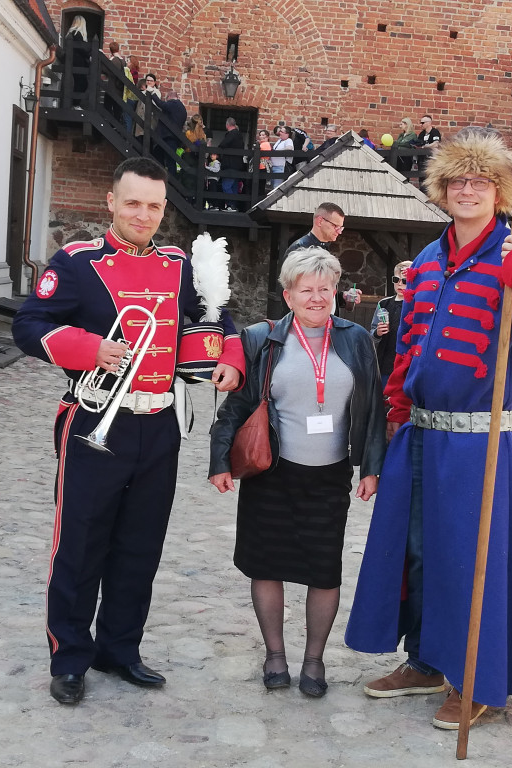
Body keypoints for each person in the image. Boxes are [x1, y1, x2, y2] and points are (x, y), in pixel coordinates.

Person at [345, 127, 512, 730]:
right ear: (442, 190)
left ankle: (475, 678)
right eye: (456, 181)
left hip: (484, 439)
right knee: (417, 554)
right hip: (420, 433)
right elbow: (408, 353)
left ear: (499, 191)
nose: (467, 190)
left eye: (480, 181)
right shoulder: (425, 262)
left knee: (469, 559)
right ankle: (423, 661)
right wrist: (396, 418)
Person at [12, 157, 246, 707]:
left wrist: (230, 359)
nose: (144, 214)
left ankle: (120, 649)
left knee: (140, 546)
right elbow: (28, 325)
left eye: (155, 205)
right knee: (80, 545)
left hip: (159, 421)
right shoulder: (76, 262)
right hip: (96, 417)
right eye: (134, 202)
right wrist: (89, 347)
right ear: (111, 203)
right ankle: (70, 657)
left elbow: (218, 318)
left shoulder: (178, 264)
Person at [208, 246, 386, 698]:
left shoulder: (356, 339)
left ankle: (313, 660)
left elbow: (375, 407)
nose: (316, 297)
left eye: (325, 288)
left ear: (335, 292)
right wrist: (220, 460)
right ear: (288, 296)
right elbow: (238, 405)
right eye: (306, 289)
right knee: (266, 566)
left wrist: (371, 467)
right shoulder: (264, 338)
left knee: (324, 571)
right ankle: (274, 655)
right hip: (272, 472)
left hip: (329, 477)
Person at [282, 202, 361, 316]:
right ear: (319, 221)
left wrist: (342, 297)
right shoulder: (299, 249)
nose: (339, 231)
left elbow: (321, 290)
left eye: (341, 227)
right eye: (335, 226)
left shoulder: (324, 247)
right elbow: (290, 291)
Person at [371, 260, 413, 390]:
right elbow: (372, 333)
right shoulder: (384, 304)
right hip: (384, 362)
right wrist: (377, 333)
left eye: (405, 281)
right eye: (396, 279)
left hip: (407, 365)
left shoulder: (417, 304)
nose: (400, 284)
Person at [218, 117, 246, 211]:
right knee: (234, 186)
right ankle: (234, 206)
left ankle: (231, 205)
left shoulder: (232, 134)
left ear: (227, 125)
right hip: (238, 165)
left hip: (230, 164)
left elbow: (223, 144)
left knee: (226, 186)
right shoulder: (239, 135)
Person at [65, 15, 90, 107]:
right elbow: (82, 49)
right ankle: (75, 104)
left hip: (75, 62)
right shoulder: (77, 34)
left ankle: (75, 104)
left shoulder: (71, 34)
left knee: (78, 83)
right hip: (78, 62)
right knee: (81, 83)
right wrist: (90, 52)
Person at [413, 115, 442, 185]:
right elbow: (418, 144)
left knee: (430, 177)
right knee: (421, 177)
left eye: (423, 123)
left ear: (429, 123)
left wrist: (425, 146)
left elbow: (436, 144)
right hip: (421, 159)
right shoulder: (421, 134)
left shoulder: (435, 132)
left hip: (431, 159)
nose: (421, 125)